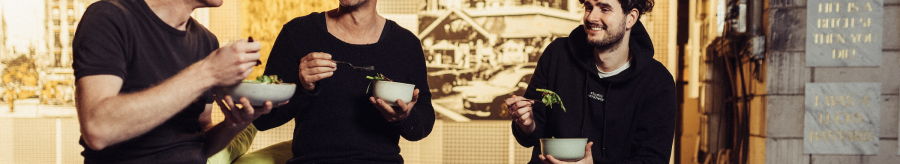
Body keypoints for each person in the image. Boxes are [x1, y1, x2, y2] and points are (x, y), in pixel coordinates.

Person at [72, 0, 273, 163]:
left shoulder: (206, 40)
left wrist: (234, 124)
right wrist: (208, 72)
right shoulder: (108, 17)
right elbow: (97, 129)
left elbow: (200, 143)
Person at [253, 0, 436, 163]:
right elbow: (261, 120)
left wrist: (403, 118)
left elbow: (422, 125)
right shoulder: (297, 33)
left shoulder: (406, 44)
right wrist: (302, 87)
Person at [505, 0, 675, 163]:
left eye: (604, 8)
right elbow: (530, 136)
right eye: (588, 7)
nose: (591, 17)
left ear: (630, 18)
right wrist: (527, 124)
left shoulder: (657, 82)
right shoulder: (557, 55)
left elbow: (652, 159)